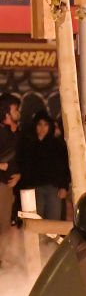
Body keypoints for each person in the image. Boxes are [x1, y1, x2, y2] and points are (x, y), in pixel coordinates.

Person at [16, 110, 71, 221]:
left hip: (53, 188)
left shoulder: (57, 144)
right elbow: (24, 165)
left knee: (53, 223)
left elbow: (64, 167)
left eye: (45, 125)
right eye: (39, 124)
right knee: (35, 222)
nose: (42, 128)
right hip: (33, 187)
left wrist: (64, 186)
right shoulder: (28, 144)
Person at [0, 94, 22, 230]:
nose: (18, 113)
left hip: (12, 187)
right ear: (7, 113)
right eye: (15, 110)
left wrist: (19, 174)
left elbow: (22, 158)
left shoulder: (18, 134)